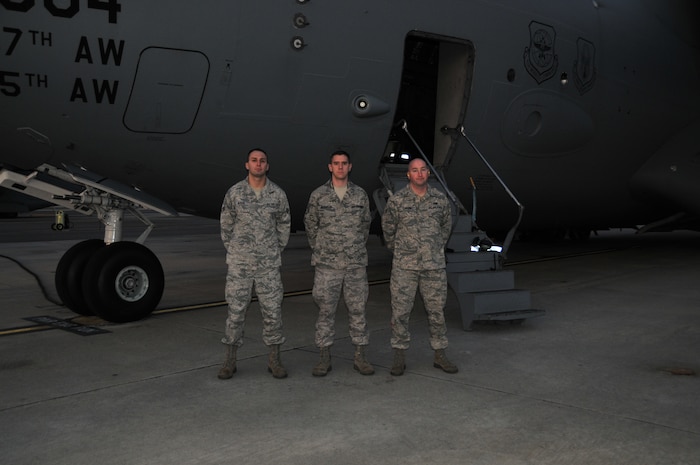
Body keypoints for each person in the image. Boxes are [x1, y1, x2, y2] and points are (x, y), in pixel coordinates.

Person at [218, 148, 291, 380]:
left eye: (262, 161)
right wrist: (238, 251)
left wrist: (271, 251)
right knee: (236, 312)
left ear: (267, 166)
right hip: (240, 265)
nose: (258, 164)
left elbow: (284, 226)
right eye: (254, 160)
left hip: (268, 266)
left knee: (272, 312)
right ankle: (229, 361)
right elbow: (226, 225)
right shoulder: (235, 193)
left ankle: (274, 360)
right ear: (247, 165)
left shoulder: (277, 194)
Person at [381, 157, 459, 376]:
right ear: (409, 175)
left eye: (423, 170)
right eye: (414, 170)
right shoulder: (397, 201)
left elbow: (446, 226)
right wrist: (401, 249)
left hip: (433, 267)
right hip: (404, 267)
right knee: (400, 312)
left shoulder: (440, 200)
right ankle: (399, 356)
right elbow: (388, 228)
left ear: (428, 174)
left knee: (436, 312)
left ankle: (440, 354)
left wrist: (433, 248)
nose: (420, 173)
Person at [304, 150, 374, 376]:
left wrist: (352, 247)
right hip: (327, 266)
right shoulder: (318, 195)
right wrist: (324, 249)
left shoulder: (360, 195)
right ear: (330, 167)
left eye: (344, 163)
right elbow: (311, 225)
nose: (340, 167)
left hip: (355, 265)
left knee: (358, 311)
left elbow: (365, 226)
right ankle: (324, 358)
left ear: (350, 167)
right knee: (325, 312)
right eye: (336, 163)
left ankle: (360, 357)